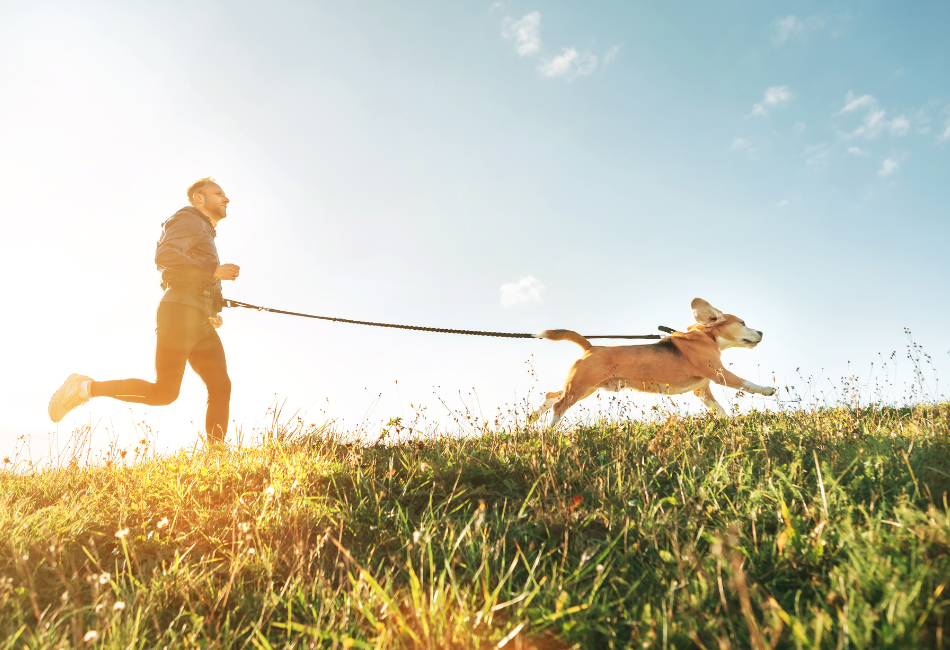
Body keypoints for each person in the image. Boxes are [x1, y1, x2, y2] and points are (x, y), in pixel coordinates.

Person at [48, 178, 241, 444]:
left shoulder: (204, 231)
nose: (226, 199)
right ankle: (83, 388)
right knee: (164, 393)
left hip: (198, 317)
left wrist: (213, 307)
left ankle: (217, 455)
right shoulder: (189, 220)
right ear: (199, 198)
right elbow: (165, 255)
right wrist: (211, 270)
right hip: (179, 312)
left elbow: (195, 277)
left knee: (221, 385)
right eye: (218, 193)